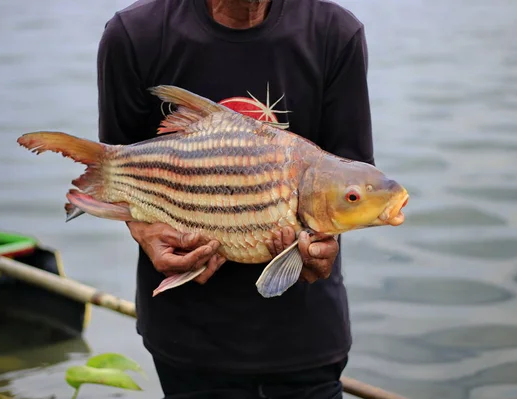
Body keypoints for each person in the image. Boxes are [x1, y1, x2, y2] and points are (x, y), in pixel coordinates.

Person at [96, 0, 374, 397]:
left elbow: (353, 183)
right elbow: (119, 174)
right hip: (186, 339)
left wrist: (321, 250)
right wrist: (145, 231)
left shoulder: (334, 33)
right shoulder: (134, 34)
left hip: (305, 337)